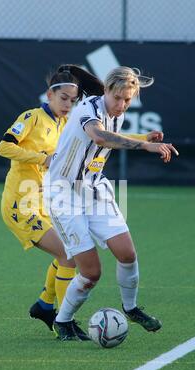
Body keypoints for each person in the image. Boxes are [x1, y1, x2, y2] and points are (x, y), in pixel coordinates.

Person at [43, 66, 179, 341]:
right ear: (105, 91)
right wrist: (145, 146)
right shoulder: (87, 110)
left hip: (95, 190)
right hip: (63, 194)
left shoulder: (117, 111)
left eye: (127, 99)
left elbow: (110, 137)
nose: (122, 104)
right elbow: (100, 136)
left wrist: (143, 138)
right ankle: (63, 321)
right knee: (91, 272)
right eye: (117, 98)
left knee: (127, 254)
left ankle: (130, 308)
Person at [0, 64, 104, 339]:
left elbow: (101, 136)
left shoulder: (66, 123)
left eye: (73, 99)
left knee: (67, 252)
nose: (68, 104)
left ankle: (45, 305)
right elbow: (3, 146)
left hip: (46, 204)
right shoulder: (31, 117)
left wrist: (145, 141)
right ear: (49, 95)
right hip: (21, 204)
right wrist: (41, 158)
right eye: (64, 98)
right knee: (69, 254)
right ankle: (63, 322)